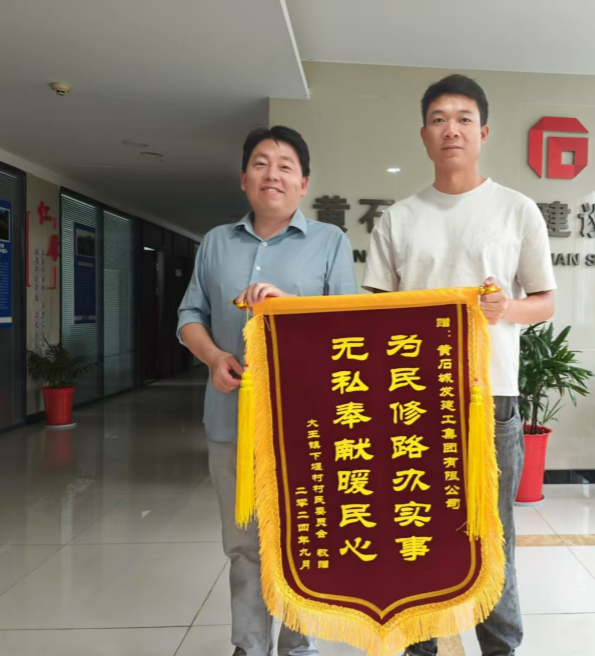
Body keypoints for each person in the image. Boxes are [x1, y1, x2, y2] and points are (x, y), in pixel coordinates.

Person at [362, 75, 556, 656]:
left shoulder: (517, 210)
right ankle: (418, 647)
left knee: (492, 535)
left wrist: (507, 308)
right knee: (415, 529)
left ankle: (501, 647)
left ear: (484, 132)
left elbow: (545, 301)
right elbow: (372, 313)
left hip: (490, 397)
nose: (452, 129)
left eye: (464, 119)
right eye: (439, 119)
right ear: (424, 135)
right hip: (411, 399)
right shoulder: (397, 218)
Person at [178, 125, 357, 656]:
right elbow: (189, 316)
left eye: (285, 166)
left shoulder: (330, 242)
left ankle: (297, 646)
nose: (271, 174)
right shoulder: (215, 242)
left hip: (306, 422)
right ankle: (249, 645)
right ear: (243, 178)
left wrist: (287, 307)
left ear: (304, 183)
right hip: (230, 418)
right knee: (243, 544)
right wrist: (214, 357)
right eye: (260, 163)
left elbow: (346, 327)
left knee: (305, 539)